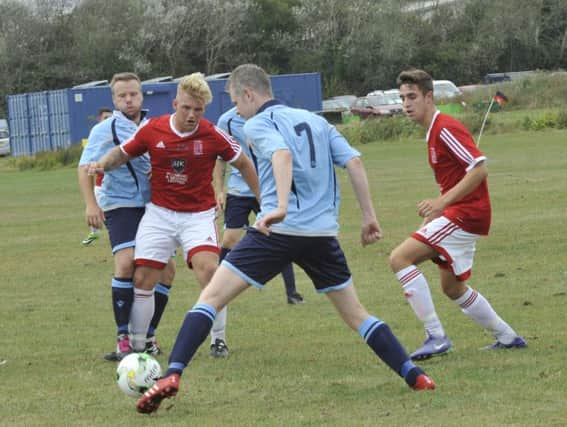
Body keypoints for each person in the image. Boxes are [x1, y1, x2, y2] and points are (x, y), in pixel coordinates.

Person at [135, 63, 435, 415]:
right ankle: (414, 375)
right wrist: (369, 217)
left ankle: (172, 375)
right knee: (357, 314)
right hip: (322, 235)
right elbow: (353, 162)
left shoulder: (257, 122)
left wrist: (276, 205)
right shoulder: (318, 121)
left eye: (235, 100)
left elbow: (281, 154)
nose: (236, 110)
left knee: (210, 296)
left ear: (248, 94)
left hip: (276, 232)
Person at [87, 73, 260, 359]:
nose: (192, 115)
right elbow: (122, 153)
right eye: (186, 108)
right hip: (160, 214)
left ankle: (218, 340)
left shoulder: (212, 134)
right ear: (175, 102)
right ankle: (139, 347)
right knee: (143, 277)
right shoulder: (153, 130)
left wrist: (263, 202)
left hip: (198, 215)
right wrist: (102, 164)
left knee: (209, 271)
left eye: (198, 110)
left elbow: (243, 163)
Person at [390, 69, 526, 360]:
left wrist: (441, 204)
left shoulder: (445, 128)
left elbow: (479, 168)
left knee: (399, 258)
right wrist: (431, 218)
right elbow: (451, 181)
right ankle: (508, 337)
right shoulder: (433, 133)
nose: (406, 104)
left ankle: (436, 337)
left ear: (429, 97)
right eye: (402, 98)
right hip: (462, 213)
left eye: (412, 97)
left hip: (466, 213)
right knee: (452, 287)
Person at [78, 73, 175, 361]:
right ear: (114, 100)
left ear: (142, 96)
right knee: (126, 262)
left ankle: (147, 336)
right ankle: (123, 337)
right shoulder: (105, 130)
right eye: (122, 96)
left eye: (133, 94)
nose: (129, 100)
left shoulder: (157, 127)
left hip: (155, 206)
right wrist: (90, 205)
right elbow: (85, 168)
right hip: (119, 204)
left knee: (166, 270)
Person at [215, 107, 304, 305]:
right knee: (229, 240)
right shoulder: (226, 120)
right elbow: (220, 160)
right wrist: (219, 190)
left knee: (277, 236)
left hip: (266, 190)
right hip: (238, 191)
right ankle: (215, 289)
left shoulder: (268, 118)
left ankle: (292, 293)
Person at [82, 107, 113, 246]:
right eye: (106, 118)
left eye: (110, 117)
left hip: (112, 184)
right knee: (96, 208)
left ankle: (96, 232)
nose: (109, 120)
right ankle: (94, 232)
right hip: (101, 183)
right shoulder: (98, 134)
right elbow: (87, 161)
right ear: (99, 119)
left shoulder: (115, 133)